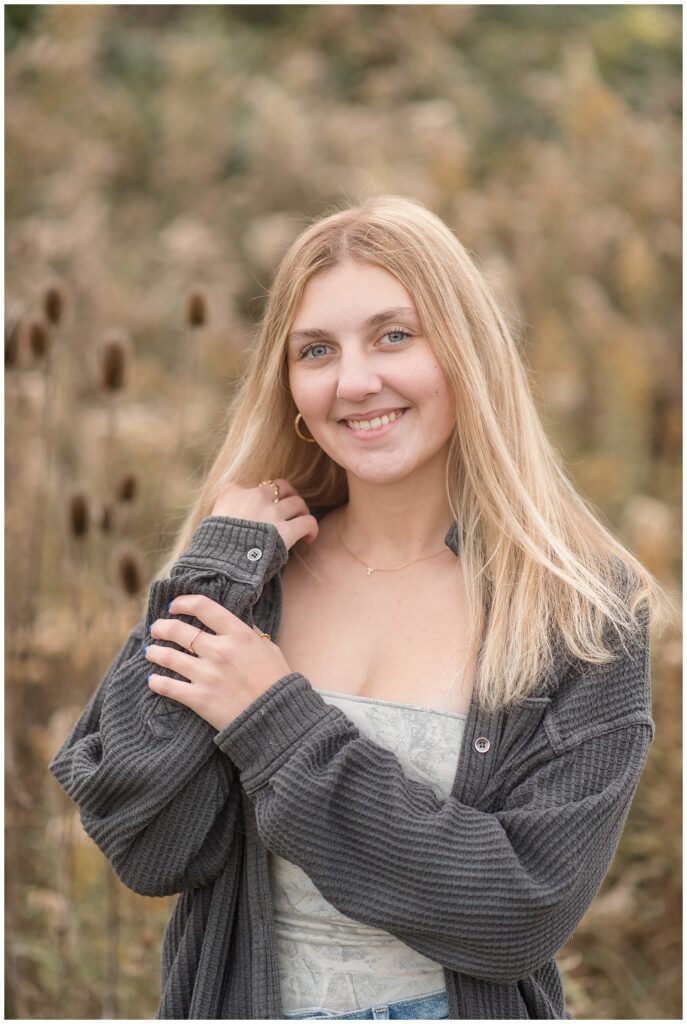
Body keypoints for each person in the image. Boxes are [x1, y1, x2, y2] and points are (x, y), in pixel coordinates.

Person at [49, 195, 670, 1021]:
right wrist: (209, 571)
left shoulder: (579, 616)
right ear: (291, 387)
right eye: (315, 350)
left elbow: (518, 910)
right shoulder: (248, 581)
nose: (354, 381)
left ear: (465, 353)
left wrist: (273, 719)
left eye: (393, 336)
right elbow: (146, 842)